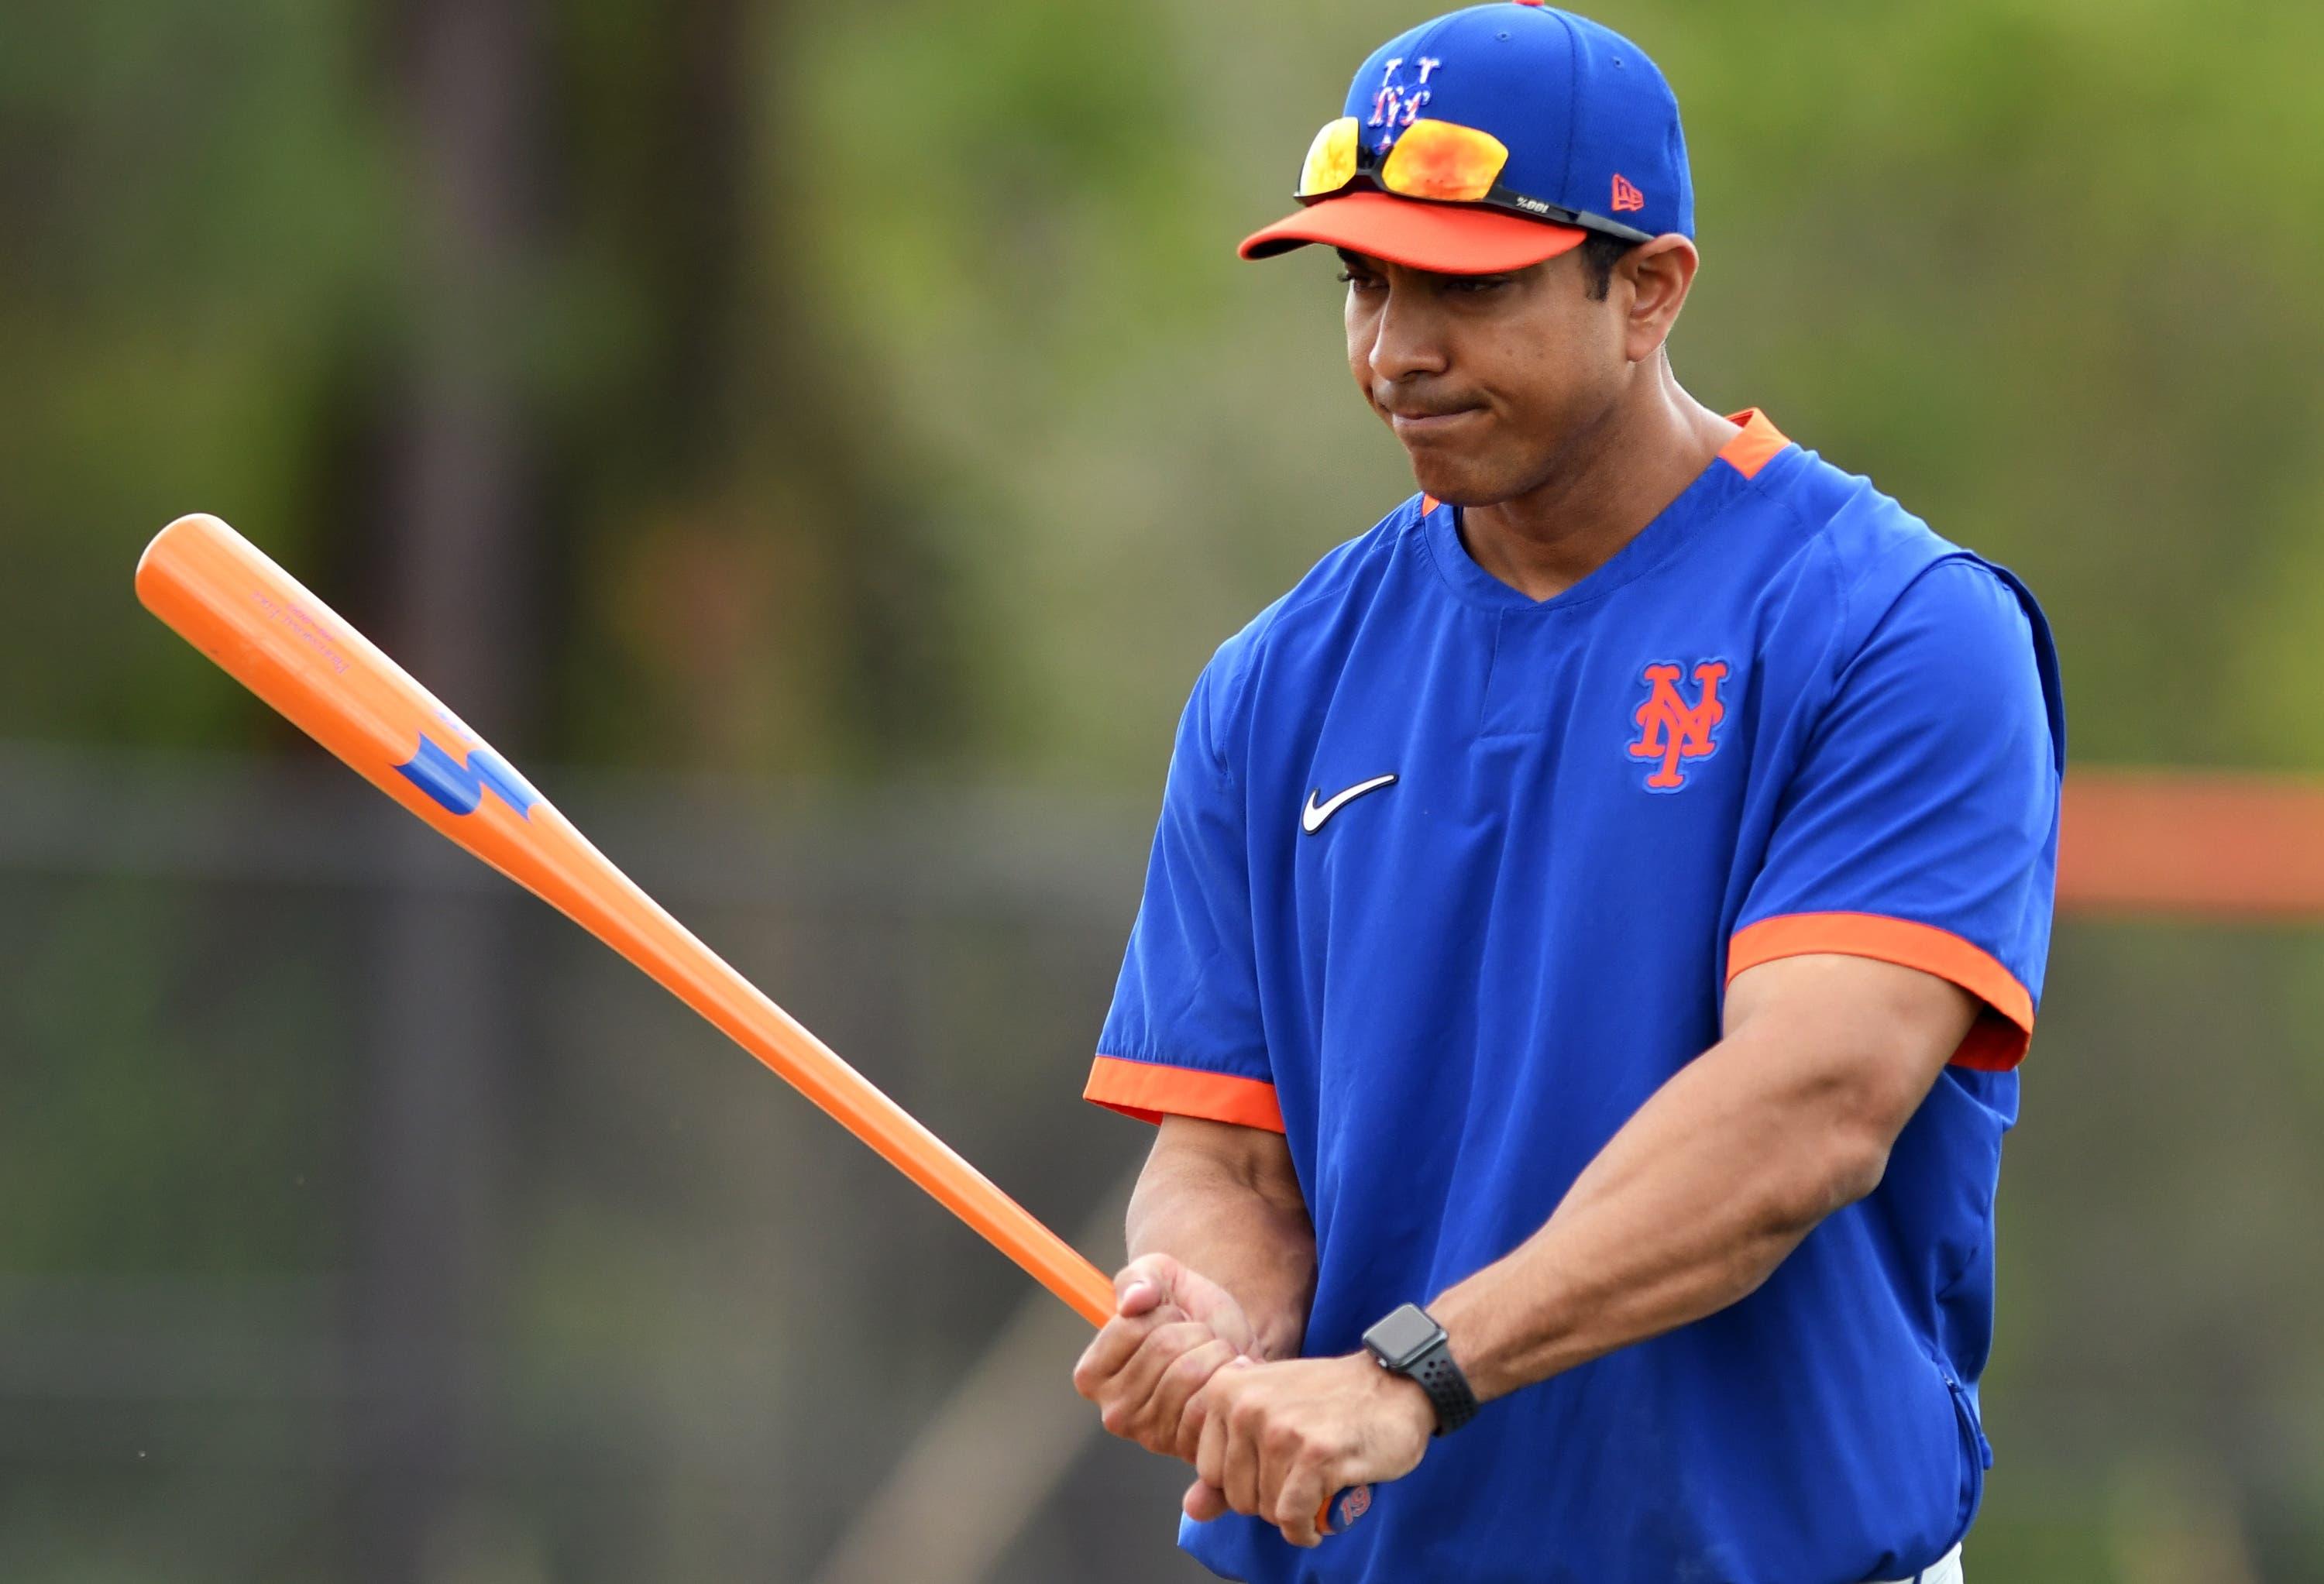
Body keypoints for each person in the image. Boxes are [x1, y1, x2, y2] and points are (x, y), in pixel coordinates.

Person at [1068, 5, 2062, 1582]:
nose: (1396, 350)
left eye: (1465, 285)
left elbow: (1806, 1114)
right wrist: (1208, 1300)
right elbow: (1232, 1163)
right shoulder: (1276, 681)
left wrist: (1411, 1375)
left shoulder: (1895, 628)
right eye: (1366, 282)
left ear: (1648, 288)